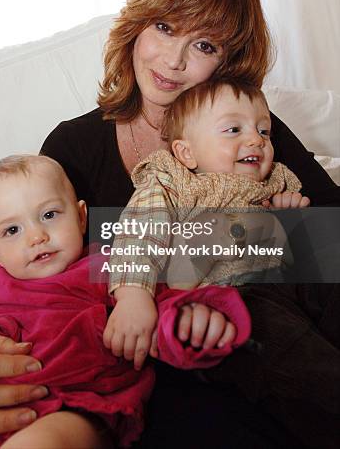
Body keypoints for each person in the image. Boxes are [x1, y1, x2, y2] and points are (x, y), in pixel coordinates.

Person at [0, 0, 339, 447]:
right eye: (165, 27)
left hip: (262, 311)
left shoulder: (244, 131)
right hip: (159, 367)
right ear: (137, 26)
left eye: (205, 45)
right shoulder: (73, 147)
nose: (174, 60)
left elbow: (329, 237)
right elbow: (44, 279)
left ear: (228, 63)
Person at [0, 154, 251, 448]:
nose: (37, 236)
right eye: (12, 230)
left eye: (49, 215)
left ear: (81, 217)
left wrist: (190, 321)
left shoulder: (106, 266)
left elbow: (158, 304)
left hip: (74, 408)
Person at [103, 79, 340, 448]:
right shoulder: (170, 181)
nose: (257, 140)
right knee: (297, 362)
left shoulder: (276, 178)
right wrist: (133, 294)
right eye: (233, 130)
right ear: (186, 153)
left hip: (292, 282)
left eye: (263, 130)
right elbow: (139, 234)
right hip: (231, 299)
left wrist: (287, 215)